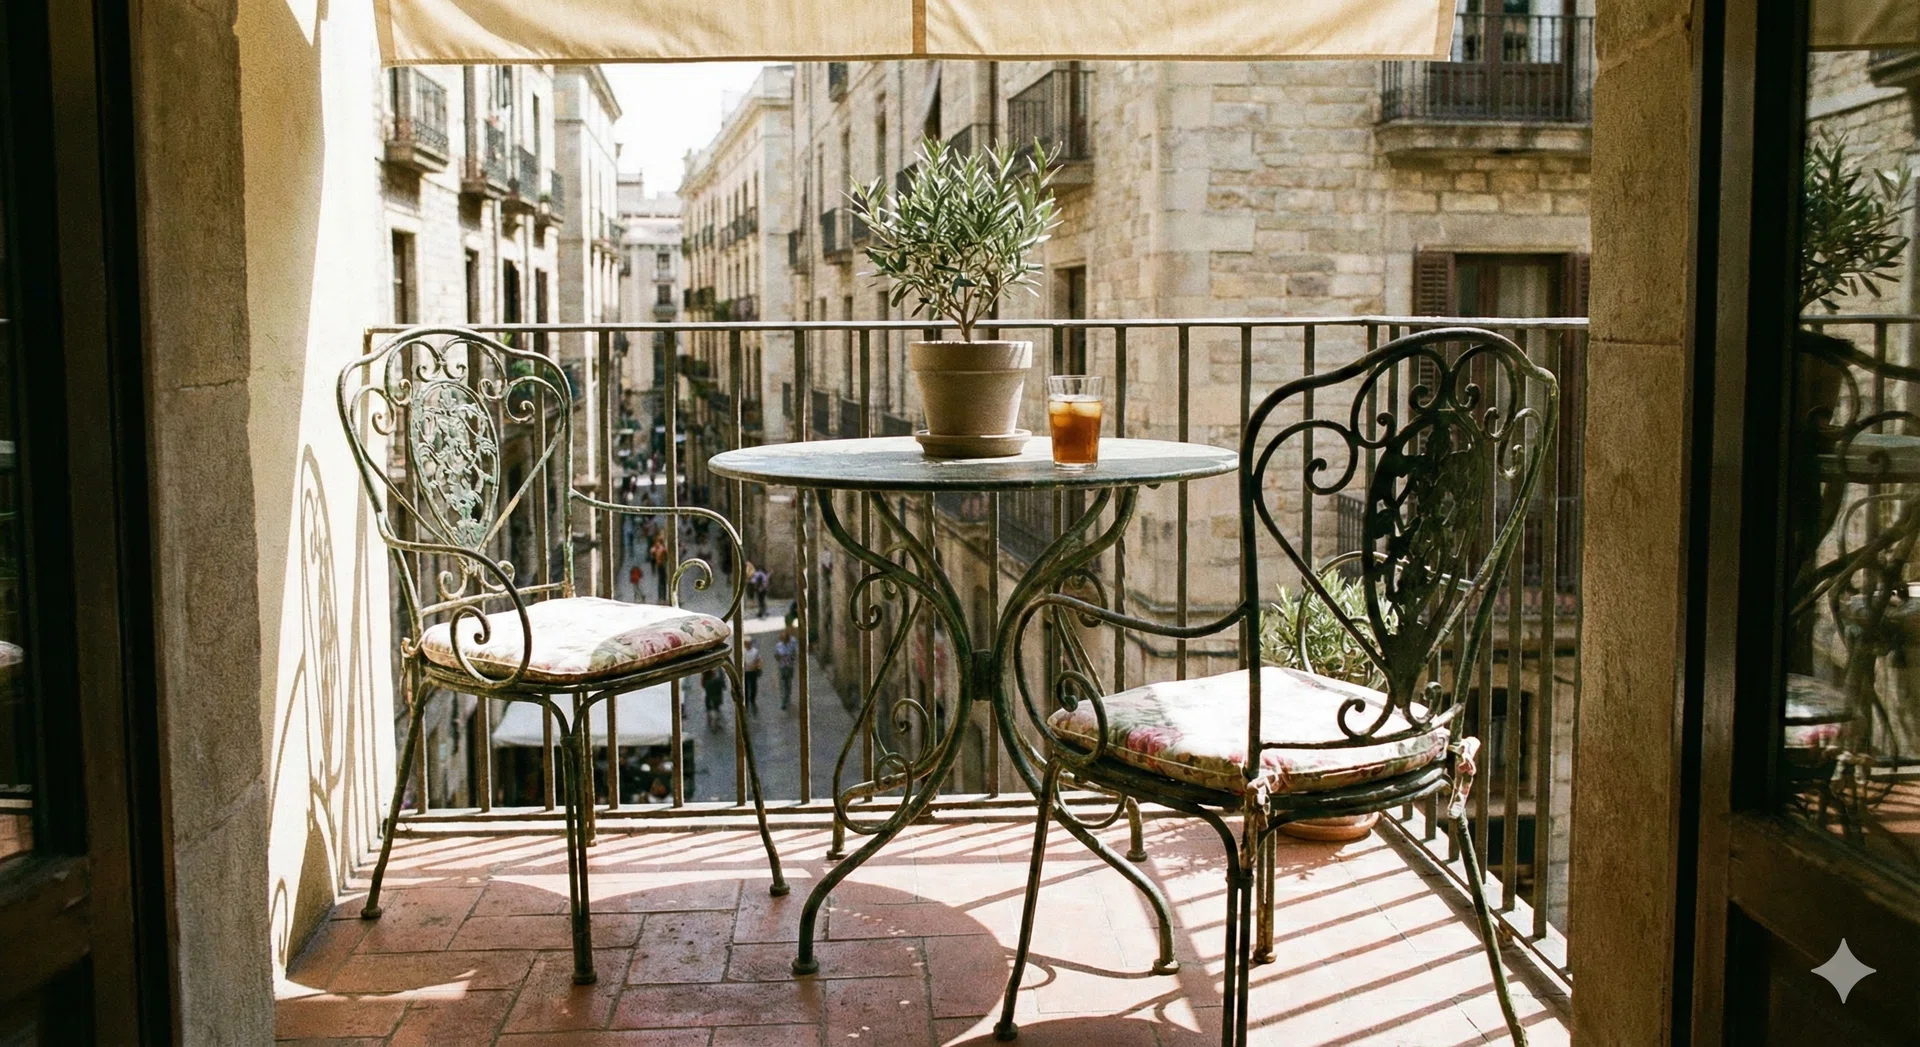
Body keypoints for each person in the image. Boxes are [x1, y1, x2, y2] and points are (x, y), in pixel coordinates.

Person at [774, 630, 797, 710]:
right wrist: (779, 657)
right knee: (783, 684)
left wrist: (789, 659)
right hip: (782, 667)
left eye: (786, 638)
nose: (784, 639)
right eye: (783, 638)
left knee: (788, 683)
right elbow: (776, 655)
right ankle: (784, 701)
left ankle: (787, 697)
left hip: (789, 667)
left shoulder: (791, 646)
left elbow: (794, 656)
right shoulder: (778, 646)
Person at [742, 636, 763, 712]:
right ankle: (746, 701)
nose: (747, 644)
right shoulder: (743, 652)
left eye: (749, 643)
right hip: (745, 672)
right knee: (746, 687)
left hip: (753, 671)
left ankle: (752, 699)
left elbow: (759, 660)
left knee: (753, 686)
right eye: (746, 643)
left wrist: (755, 666)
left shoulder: (755, 651)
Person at [651, 534, 669, 601]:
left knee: (663, 582)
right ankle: (661, 597)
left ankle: (663, 597)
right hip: (660, 565)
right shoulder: (658, 548)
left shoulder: (661, 548)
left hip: (663, 565)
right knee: (661, 582)